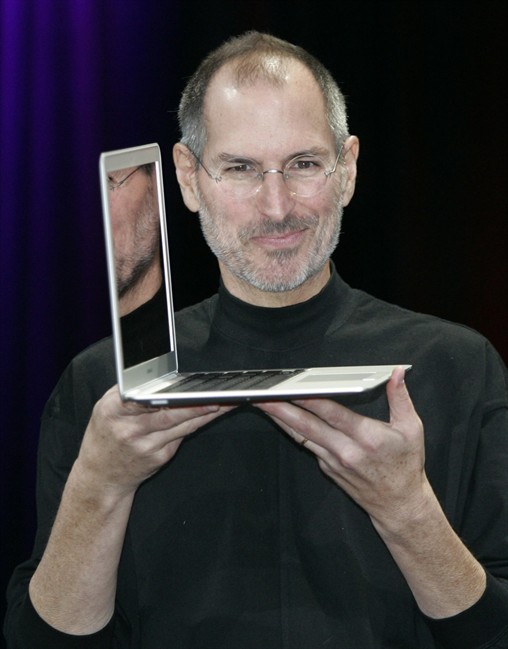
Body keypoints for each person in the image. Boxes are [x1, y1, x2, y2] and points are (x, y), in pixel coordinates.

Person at [4, 31, 508, 649]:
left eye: (304, 165)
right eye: (240, 168)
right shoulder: (106, 388)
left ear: (347, 170)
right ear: (188, 179)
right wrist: (99, 486)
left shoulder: (457, 366)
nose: (277, 207)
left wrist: (407, 510)